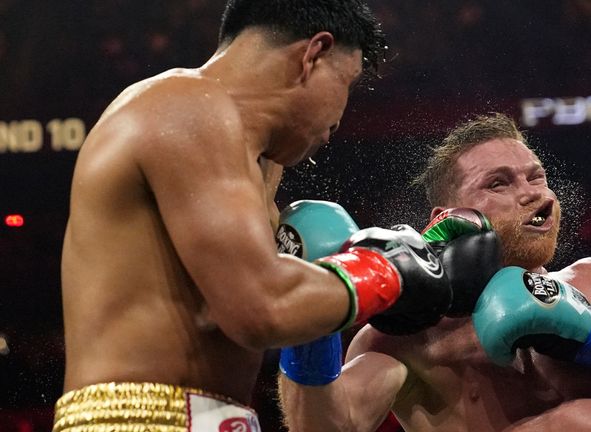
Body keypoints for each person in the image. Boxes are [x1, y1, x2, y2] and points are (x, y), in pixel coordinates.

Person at [54, 2, 463, 431]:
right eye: (347, 82)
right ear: (313, 55)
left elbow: (232, 310)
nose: (340, 118)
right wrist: (390, 272)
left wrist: (416, 259)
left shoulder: (254, 162)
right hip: (139, 419)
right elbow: (263, 308)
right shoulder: (186, 105)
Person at [278, 113, 591, 431]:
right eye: (499, 182)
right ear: (450, 215)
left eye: (536, 176)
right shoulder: (409, 335)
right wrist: (311, 315)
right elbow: (323, 425)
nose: (532, 193)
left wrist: (589, 329)